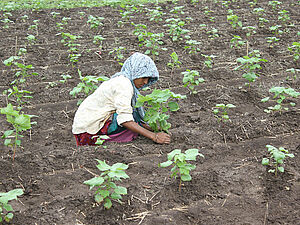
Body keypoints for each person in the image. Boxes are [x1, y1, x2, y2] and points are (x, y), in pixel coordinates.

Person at [72, 52, 171, 146]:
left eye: (148, 79)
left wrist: (153, 128)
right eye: (143, 77)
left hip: (84, 130)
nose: (145, 82)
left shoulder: (123, 80)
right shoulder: (123, 84)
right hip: (87, 134)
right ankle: (107, 139)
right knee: (131, 116)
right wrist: (154, 136)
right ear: (135, 72)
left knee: (132, 114)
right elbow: (125, 119)